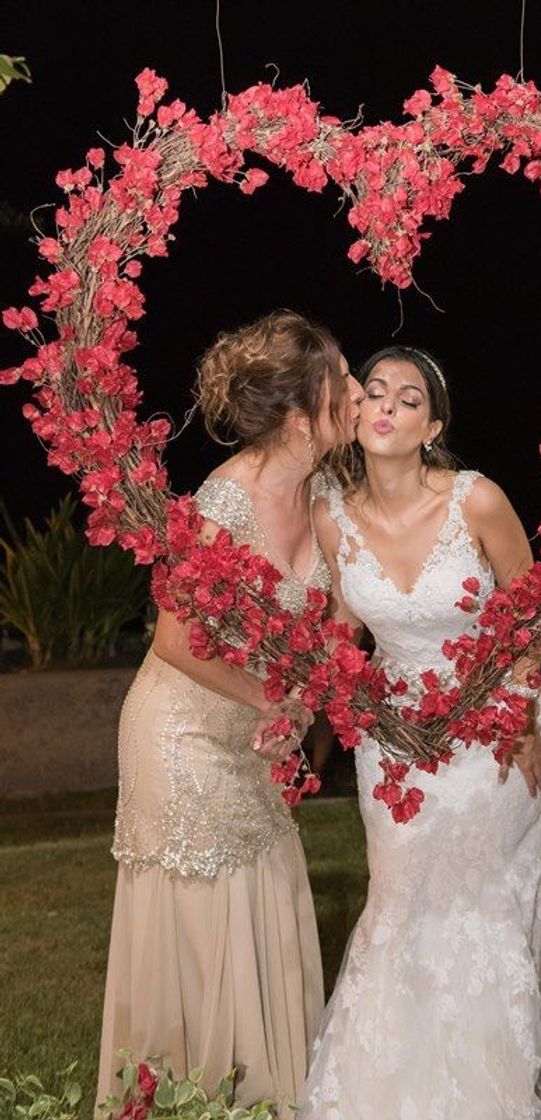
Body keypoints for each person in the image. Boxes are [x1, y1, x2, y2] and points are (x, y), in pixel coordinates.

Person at [97, 310, 362, 1117]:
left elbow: (342, 620)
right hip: (180, 735)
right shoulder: (224, 499)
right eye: (342, 380)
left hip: (255, 736)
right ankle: (190, 1098)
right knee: (209, 925)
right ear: (296, 412)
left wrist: (307, 699)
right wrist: (270, 701)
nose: (357, 392)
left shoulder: (326, 493)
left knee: (269, 909)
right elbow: (176, 640)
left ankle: (267, 1098)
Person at [300, 345, 541, 1120]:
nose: (384, 406)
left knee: (477, 903)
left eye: (408, 399)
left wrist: (518, 719)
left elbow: (532, 610)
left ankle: (487, 1090)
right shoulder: (332, 519)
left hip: (493, 725)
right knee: (401, 898)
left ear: (432, 424)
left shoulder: (477, 500)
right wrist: (323, 696)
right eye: (374, 391)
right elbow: (347, 628)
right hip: (397, 738)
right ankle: (385, 1091)